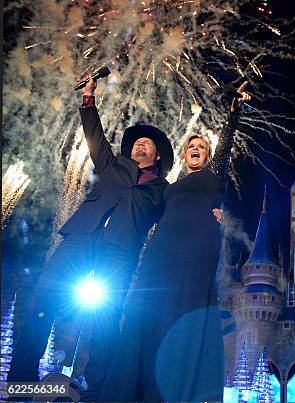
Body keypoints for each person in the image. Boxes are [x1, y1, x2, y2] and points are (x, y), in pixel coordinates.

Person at [7, 74, 174, 401]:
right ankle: (19, 387)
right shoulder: (112, 166)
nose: (141, 144)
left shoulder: (162, 191)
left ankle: (97, 393)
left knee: (105, 325)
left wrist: (209, 212)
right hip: (79, 240)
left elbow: (181, 215)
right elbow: (94, 134)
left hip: (118, 256)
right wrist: (88, 96)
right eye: (137, 142)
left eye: (148, 144)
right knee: (43, 303)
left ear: (157, 157)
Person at [100, 82, 251, 401]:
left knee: (185, 309)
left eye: (202, 147)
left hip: (196, 249)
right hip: (160, 251)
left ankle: (178, 388)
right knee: (148, 311)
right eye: (191, 146)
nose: (196, 148)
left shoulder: (214, 176)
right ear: (184, 154)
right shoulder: (168, 185)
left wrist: (234, 112)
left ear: (207, 155)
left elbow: (226, 144)